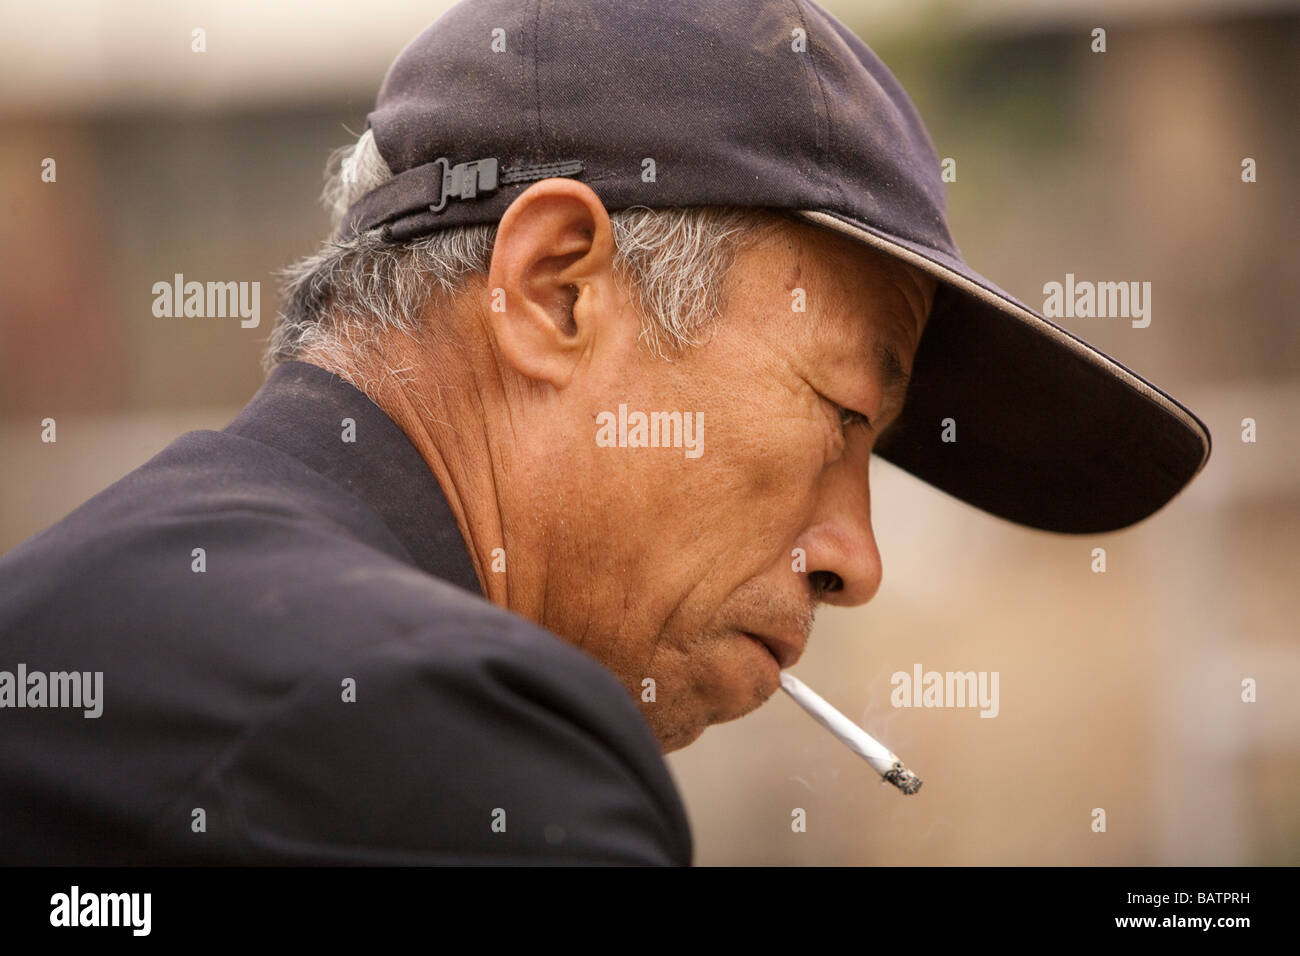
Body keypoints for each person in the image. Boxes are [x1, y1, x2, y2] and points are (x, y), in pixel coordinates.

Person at [0, 0, 1209, 866]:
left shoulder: (86, 606)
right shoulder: (442, 735)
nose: (856, 558)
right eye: (842, 414)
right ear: (556, 289)